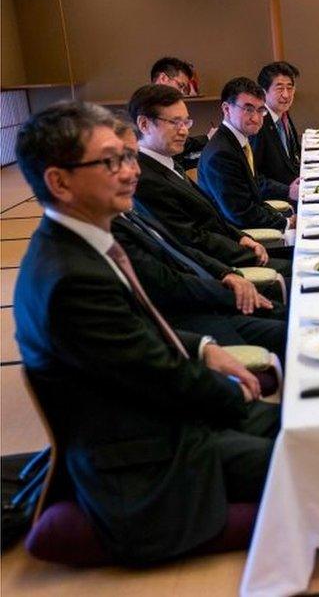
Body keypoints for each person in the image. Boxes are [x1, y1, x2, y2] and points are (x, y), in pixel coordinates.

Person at [13, 100, 278, 564]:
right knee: (313, 457)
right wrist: (235, 397)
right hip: (151, 462)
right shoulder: (69, 278)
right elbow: (162, 380)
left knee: (308, 423)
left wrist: (202, 348)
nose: (131, 171)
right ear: (59, 182)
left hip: (165, 419)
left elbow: (137, 340)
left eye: (129, 157)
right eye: (111, 161)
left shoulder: (85, 239)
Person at [112, 119, 286, 360]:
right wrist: (226, 287)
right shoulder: (110, 230)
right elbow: (167, 280)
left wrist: (226, 273)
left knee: (297, 317)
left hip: (209, 289)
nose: (135, 170)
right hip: (193, 318)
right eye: (118, 161)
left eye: (132, 158)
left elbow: (180, 250)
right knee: (295, 327)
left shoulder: (126, 213)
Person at [128, 84, 290, 274]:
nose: (184, 131)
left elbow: (211, 216)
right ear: (144, 124)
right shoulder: (146, 180)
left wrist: (241, 238)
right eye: (175, 122)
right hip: (222, 270)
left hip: (232, 249)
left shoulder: (168, 163)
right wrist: (246, 253)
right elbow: (191, 239)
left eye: (186, 122)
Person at [197, 78, 298, 232]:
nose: (256, 118)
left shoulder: (237, 141)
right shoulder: (221, 154)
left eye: (260, 110)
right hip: (241, 239)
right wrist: (287, 223)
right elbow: (240, 213)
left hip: (254, 223)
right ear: (226, 109)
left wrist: (283, 219)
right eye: (248, 109)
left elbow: (254, 197)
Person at [149, 56, 212, 166]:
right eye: (180, 86)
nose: (182, 93)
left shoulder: (166, 105)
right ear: (163, 78)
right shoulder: (147, 107)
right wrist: (207, 138)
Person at [252, 61, 301, 185]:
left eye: (290, 88)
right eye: (279, 89)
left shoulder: (283, 114)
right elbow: (254, 176)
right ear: (263, 92)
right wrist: (288, 191)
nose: (286, 95)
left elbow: (293, 155)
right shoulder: (258, 124)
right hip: (279, 196)